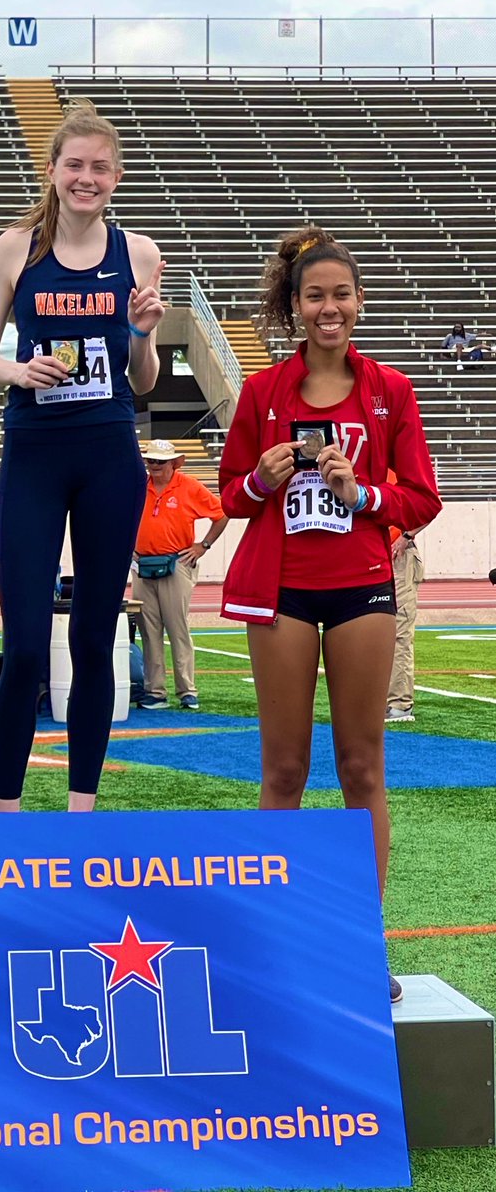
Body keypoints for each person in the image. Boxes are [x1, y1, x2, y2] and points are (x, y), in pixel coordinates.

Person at [218, 226, 441, 1003]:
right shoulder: (262, 392)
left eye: (341, 294)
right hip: (280, 589)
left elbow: (421, 497)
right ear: (294, 304)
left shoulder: (389, 390)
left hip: (361, 586)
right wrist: (263, 478)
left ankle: (358, 940)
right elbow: (228, 495)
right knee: (283, 770)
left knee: (360, 767)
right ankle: (274, 941)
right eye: (315, 296)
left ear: (359, 300)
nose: (329, 308)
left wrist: (363, 494)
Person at [0, 99, 164, 813]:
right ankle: (7, 815)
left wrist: (143, 334)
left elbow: (141, 383)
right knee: (23, 645)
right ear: (52, 171)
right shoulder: (15, 248)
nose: (86, 178)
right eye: (74, 165)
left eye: (100, 168)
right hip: (33, 453)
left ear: (116, 177)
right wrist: (19, 372)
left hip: (109, 453)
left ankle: (81, 815)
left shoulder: (137, 253)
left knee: (92, 638)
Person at [132, 438, 228, 711]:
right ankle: (155, 691)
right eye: (151, 461)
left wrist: (203, 546)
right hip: (143, 565)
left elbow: (221, 514)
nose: (154, 466)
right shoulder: (140, 486)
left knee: (178, 629)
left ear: (174, 463)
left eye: (160, 462)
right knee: (148, 631)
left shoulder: (189, 487)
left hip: (176, 563)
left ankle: (187, 689)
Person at [386, 522, 425, 724]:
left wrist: (406, 536)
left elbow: (431, 505)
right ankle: (384, 699)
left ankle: (400, 703)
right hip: (375, 555)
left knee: (399, 631)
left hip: (398, 555)